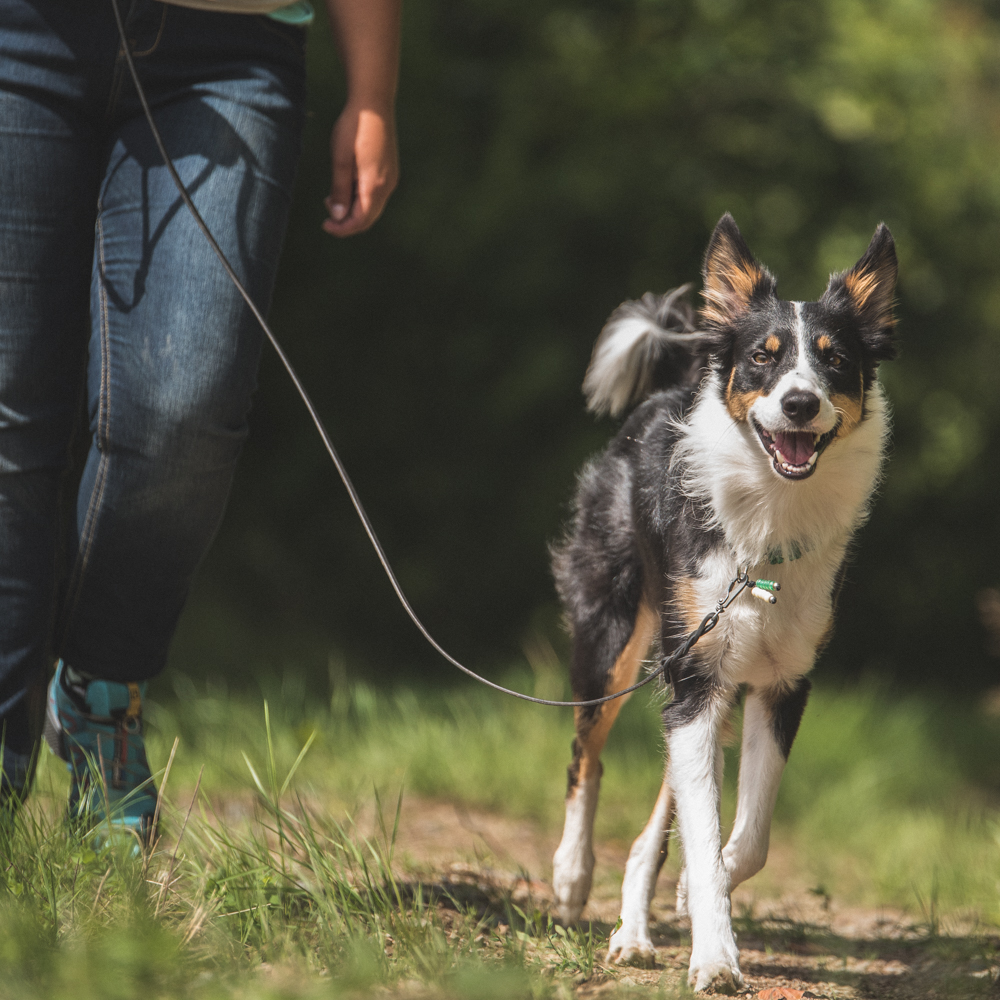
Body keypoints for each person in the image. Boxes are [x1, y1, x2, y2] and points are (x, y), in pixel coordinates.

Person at [0, 0, 400, 838]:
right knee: (11, 416)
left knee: (188, 406)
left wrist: (372, 90)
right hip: (23, 35)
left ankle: (102, 692)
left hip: (230, 52)